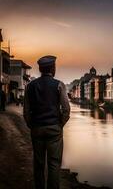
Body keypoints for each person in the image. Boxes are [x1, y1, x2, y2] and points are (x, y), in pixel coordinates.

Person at [23, 55, 70, 189]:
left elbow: (26, 111)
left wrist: (32, 125)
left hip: (37, 129)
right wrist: (60, 124)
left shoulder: (30, 86)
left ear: (40, 69)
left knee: (38, 164)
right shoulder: (59, 85)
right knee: (54, 164)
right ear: (52, 68)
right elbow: (66, 109)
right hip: (54, 129)